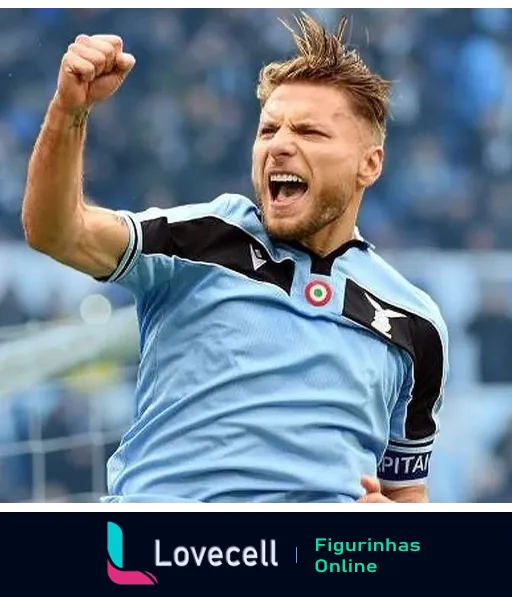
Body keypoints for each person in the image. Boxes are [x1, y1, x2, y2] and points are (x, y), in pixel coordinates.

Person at [21, 13, 449, 505]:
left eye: (309, 132)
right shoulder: (202, 238)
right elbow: (56, 232)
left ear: (368, 165)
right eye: (269, 130)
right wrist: (69, 110)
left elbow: (405, 493)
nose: (281, 145)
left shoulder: (415, 324)